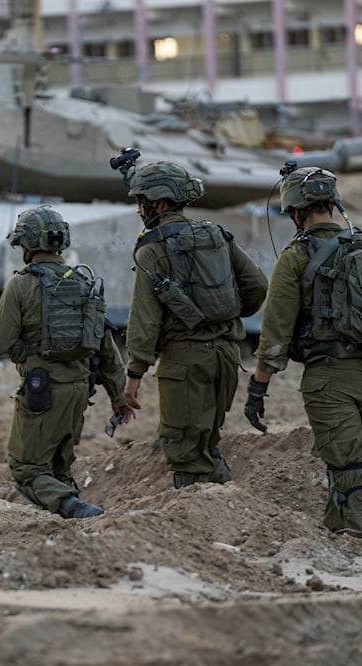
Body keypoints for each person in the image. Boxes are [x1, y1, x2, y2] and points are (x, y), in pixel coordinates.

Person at [244, 166, 362, 546]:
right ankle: (335, 532)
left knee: (350, 474)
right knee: (348, 467)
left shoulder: (294, 258)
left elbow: (275, 334)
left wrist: (258, 388)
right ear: (333, 204)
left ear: (295, 213)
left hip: (329, 382)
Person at [122, 161, 268, 489]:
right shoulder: (215, 235)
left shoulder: (152, 249)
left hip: (185, 363)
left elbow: (144, 320)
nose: (138, 210)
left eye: (141, 202)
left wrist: (134, 375)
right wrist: (227, 315)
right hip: (227, 357)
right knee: (207, 444)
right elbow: (258, 284)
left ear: (158, 203)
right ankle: (226, 511)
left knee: (187, 453)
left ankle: (204, 526)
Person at [0, 205, 135, 519]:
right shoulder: (83, 282)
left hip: (43, 392)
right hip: (80, 390)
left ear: (27, 245)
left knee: (28, 469)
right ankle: (69, 523)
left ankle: (74, 508)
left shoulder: (22, 284)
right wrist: (119, 397)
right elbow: (105, 348)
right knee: (58, 467)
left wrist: (22, 350)